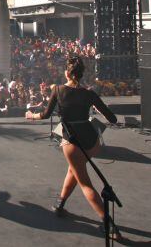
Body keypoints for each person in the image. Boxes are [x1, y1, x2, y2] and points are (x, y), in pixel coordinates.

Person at [26, 56, 120, 238]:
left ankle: (109, 225)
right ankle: (60, 204)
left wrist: (31, 115)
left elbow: (45, 115)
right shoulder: (89, 93)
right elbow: (112, 118)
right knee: (74, 170)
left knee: (85, 183)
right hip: (92, 142)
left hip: (73, 141)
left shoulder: (58, 90)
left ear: (67, 73)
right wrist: (97, 108)